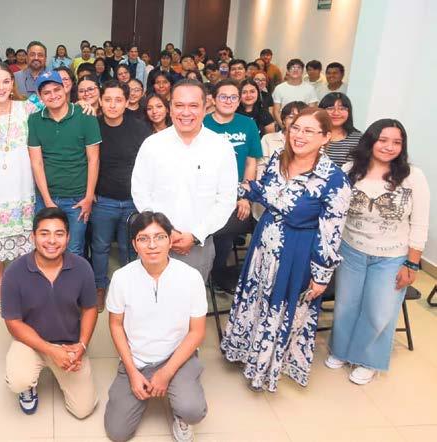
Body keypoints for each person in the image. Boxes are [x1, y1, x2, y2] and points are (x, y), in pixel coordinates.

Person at [220, 107, 352, 391]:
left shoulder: (334, 180)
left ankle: (264, 368)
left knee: (281, 308)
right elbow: (265, 192)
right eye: (296, 128)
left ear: (326, 137)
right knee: (255, 298)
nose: (299, 135)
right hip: (263, 244)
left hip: (297, 252)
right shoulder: (279, 159)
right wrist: (236, 189)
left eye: (309, 131)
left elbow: (331, 234)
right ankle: (245, 353)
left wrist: (321, 276)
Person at [328, 119, 430, 385]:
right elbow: (335, 211)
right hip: (351, 250)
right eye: (383, 140)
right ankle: (341, 350)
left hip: (392, 256)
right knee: (346, 305)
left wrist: (412, 263)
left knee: (379, 311)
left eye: (397, 142)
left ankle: (367, 360)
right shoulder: (350, 169)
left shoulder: (413, 176)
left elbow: (420, 223)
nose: (389, 147)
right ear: (371, 141)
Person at [104, 211, 207, 442]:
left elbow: (197, 331)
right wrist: (132, 372)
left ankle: (180, 403)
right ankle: (141, 386)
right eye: (144, 238)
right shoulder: (121, 278)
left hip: (177, 357)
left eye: (159, 237)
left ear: (170, 241)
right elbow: (116, 325)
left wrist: (166, 372)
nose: (152, 245)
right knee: (117, 432)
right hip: (137, 359)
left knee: (192, 410)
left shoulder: (191, 277)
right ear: (134, 244)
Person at [131, 80, 237, 282]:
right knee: (149, 297)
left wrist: (195, 235)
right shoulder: (152, 145)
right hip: (155, 242)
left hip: (198, 246)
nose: (186, 112)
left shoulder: (221, 147)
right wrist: (164, 232)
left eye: (193, 105)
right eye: (179, 105)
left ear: (205, 108)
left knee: (191, 300)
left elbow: (226, 200)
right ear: (170, 108)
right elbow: (140, 191)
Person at [1, 207, 98, 418]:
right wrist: (51, 351)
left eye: (59, 234)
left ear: (68, 237)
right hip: (30, 342)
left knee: (83, 410)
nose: (52, 241)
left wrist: (82, 345)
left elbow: (90, 308)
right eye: (44, 233)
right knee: (18, 380)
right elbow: (13, 322)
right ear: (33, 236)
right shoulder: (14, 272)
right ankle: (28, 387)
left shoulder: (82, 268)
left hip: (69, 344)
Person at [0, 62, 36, 313]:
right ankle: (0, 285)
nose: (0, 87)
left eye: (5, 81)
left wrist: (86, 104)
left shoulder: (28, 108)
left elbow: (59, 110)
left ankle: (22, 285)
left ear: (13, 84)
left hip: (22, 185)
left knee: (24, 240)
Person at [90, 81, 151, 312]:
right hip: (102, 200)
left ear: (127, 102)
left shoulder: (140, 128)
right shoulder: (93, 126)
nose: (112, 105)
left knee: (130, 247)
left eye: (118, 100)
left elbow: (149, 165)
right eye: (107, 100)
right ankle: (99, 287)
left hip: (133, 201)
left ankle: (131, 290)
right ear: (100, 101)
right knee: (100, 247)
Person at [28, 71, 102, 256]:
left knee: (74, 249)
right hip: (46, 196)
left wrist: (88, 197)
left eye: (57, 89)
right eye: (47, 92)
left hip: (77, 198)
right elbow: (37, 162)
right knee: (46, 248)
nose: (53, 95)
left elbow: (93, 160)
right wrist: (47, 201)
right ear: (40, 96)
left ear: (65, 89)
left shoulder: (85, 116)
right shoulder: (34, 120)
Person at [204, 79, 262, 283]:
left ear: (239, 101)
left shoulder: (248, 124)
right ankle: (203, 275)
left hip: (235, 194)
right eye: (223, 96)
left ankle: (216, 274)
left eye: (233, 97)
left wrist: (245, 196)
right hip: (205, 192)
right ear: (213, 99)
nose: (228, 101)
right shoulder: (202, 123)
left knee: (227, 231)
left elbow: (251, 162)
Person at [319, 92, 361, 167]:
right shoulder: (312, 134)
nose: (336, 113)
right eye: (330, 108)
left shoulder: (359, 139)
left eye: (342, 109)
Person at [271, 59, 318, 123]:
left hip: (303, 123)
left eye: (299, 68)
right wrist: (283, 126)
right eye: (292, 67)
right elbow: (276, 111)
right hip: (283, 122)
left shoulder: (310, 89)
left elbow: (312, 111)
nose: (295, 70)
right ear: (288, 71)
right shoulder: (279, 88)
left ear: (302, 71)